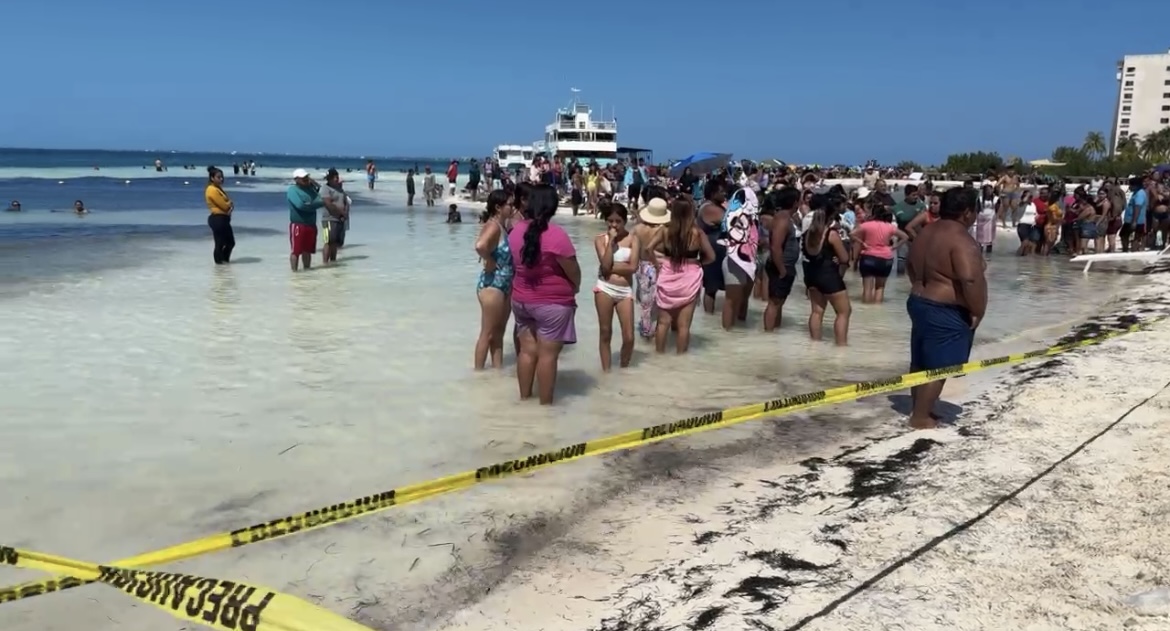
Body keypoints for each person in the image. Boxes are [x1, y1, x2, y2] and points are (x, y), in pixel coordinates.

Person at [905, 187, 986, 430]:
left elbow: (910, 264)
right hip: (943, 308)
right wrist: (977, 310)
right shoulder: (961, 238)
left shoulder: (926, 231)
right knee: (939, 365)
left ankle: (920, 407)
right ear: (968, 212)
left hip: (918, 300)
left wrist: (923, 288)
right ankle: (920, 416)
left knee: (920, 359)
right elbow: (970, 279)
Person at [509, 185, 580, 404]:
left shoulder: (516, 231)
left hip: (521, 300)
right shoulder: (556, 235)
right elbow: (574, 272)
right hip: (552, 304)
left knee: (527, 352)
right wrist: (574, 288)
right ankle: (546, 408)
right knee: (548, 355)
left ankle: (524, 401)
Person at [649, 198, 716, 354]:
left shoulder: (665, 230)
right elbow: (711, 256)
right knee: (684, 326)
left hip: (667, 274)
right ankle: (681, 361)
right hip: (690, 277)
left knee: (663, 323)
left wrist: (657, 264)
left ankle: (658, 358)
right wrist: (699, 264)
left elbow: (648, 248)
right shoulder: (697, 233)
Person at [592, 203, 640, 371]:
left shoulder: (633, 239)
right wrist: (611, 241)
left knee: (629, 337)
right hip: (605, 288)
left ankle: (623, 369)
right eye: (610, 221)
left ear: (625, 221)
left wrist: (611, 267)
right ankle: (606, 372)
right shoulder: (600, 239)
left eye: (618, 221)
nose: (614, 225)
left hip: (625, 291)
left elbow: (633, 267)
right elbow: (604, 266)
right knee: (605, 332)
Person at [473, 190, 515, 370]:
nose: (512, 208)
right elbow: (480, 245)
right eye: (510, 205)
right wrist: (489, 259)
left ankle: (497, 372)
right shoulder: (493, 226)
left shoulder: (502, 225)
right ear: (498, 207)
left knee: (498, 333)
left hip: (504, 283)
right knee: (487, 333)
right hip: (493, 284)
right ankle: (478, 373)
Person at [801, 195, 852, 345]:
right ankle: (841, 347)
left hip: (811, 275)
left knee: (817, 312)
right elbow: (844, 259)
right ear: (830, 216)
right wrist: (836, 257)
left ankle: (814, 346)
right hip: (828, 276)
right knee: (844, 312)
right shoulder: (831, 234)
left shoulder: (807, 234)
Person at [719, 187, 760, 330]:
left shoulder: (752, 219)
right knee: (731, 301)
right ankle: (728, 335)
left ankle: (738, 334)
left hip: (749, 261)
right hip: (734, 261)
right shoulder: (733, 217)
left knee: (742, 300)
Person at [851, 204, 908, 303]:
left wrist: (862, 243)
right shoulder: (889, 226)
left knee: (867, 289)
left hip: (868, 256)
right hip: (886, 258)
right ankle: (877, 311)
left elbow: (852, 234)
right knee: (880, 288)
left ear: (873, 213)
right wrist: (895, 247)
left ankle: (866, 312)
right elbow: (905, 237)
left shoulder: (867, 225)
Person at [763, 187, 801, 331]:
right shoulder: (782, 219)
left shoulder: (786, 218)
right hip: (781, 266)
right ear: (795, 202)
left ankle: (774, 334)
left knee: (779, 302)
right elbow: (775, 247)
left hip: (785, 265)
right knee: (774, 302)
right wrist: (782, 270)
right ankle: (768, 334)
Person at [633, 192, 669, 339]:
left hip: (641, 267)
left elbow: (632, 249)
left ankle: (645, 331)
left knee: (645, 302)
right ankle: (651, 333)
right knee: (657, 303)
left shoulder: (638, 228)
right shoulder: (663, 230)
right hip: (657, 267)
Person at [287, 168, 323, 271]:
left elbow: (322, 200)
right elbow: (300, 205)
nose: (306, 180)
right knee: (296, 251)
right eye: (303, 178)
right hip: (298, 224)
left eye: (307, 177)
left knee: (307, 251)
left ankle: (307, 272)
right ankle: (294, 272)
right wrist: (313, 205)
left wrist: (314, 183)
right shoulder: (292, 190)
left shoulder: (310, 190)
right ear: (296, 179)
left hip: (311, 224)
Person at [204, 166, 235, 264]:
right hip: (218, 219)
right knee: (220, 244)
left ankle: (224, 263)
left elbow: (227, 205)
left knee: (230, 242)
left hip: (223, 219)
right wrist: (229, 204)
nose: (221, 179)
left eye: (222, 177)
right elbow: (224, 206)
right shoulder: (211, 189)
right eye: (218, 177)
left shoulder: (218, 188)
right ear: (212, 178)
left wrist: (229, 205)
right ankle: (219, 265)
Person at [319, 168, 349, 264]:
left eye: (336, 177)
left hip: (340, 219)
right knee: (328, 241)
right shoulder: (325, 188)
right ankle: (325, 262)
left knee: (335, 243)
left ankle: (333, 261)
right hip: (329, 218)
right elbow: (328, 204)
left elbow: (346, 202)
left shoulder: (340, 189)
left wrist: (345, 214)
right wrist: (341, 213)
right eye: (334, 177)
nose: (336, 179)